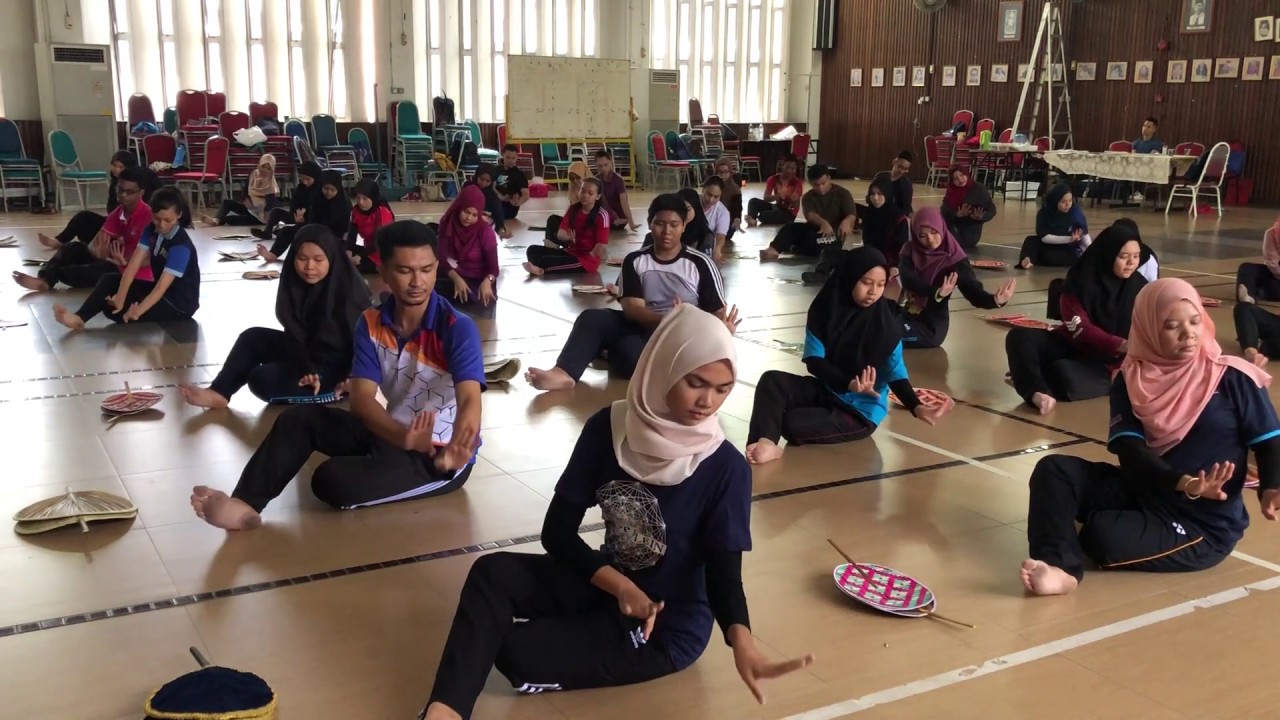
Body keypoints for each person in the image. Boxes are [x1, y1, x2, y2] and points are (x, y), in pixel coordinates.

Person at [418, 304, 813, 720]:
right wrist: (621, 587)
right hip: (611, 584)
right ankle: (444, 711)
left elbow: (723, 576)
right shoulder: (609, 428)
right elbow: (558, 532)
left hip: (663, 625)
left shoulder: (724, 467)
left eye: (722, 389)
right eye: (696, 383)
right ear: (663, 367)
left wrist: (742, 641)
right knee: (492, 573)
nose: (707, 402)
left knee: (516, 652)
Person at [190, 220, 485, 529]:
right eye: (404, 270)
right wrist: (403, 437)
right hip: (392, 433)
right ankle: (245, 505)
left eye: (426, 270)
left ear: (437, 267)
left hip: (439, 457)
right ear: (383, 272)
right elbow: (361, 401)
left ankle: (398, 469)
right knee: (299, 419)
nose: (417, 281)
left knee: (330, 480)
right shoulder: (370, 323)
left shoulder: (455, 327)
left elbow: (469, 400)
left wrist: (455, 451)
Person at [1021, 279, 1280, 596]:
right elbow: (1132, 453)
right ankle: (1060, 568)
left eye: (1195, 321)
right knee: (1055, 470)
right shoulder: (1131, 379)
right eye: (1172, 326)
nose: (1188, 334)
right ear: (1149, 329)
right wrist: (1183, 482)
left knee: (1101, 535)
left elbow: (1269, 442)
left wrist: (1272, 486)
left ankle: (1117, 527)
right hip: (1147, 489)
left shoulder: (1234, 377)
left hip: (1202, 523)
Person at [745, 248, 953, 465]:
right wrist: (849, 383)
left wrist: (915, 405)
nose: (873, 291)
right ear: (850, 277)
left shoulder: (886, 323)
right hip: (830, 388)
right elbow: (815, 362)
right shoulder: (824, 309)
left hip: (858, 412)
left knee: (790, 422)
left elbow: (896, 374)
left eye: (881, 285)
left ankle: (780, 432)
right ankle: (766, 442)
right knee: (772, 381)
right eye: (866, 282)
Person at [525, 194, 735, 390]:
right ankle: (564, 373)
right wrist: (668, 320)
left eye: (674, 225)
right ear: (650, 223)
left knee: (629, 358)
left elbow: (716, 311)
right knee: (591, 318)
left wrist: (719, 328)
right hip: (645, 326)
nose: (667, 231)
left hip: (684, 336)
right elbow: (633, 309)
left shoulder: (700, 263)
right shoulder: (635, 260)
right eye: (660, 224)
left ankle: (602, 349)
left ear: (683, 226)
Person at [180, 225, 372, 408]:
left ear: (331, 258)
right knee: (252, 337)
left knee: (261, 379)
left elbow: (364, 347)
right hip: (309, 356)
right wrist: (306, 368)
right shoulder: (295, 283)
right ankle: (219, 392)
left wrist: (350, 381)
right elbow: (294, 334)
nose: (309, 266)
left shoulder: (350, 293)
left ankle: (332, 392)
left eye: (318, 260)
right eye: (302, 258)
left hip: (339, 371)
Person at [1007, 226, 1147, 415]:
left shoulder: (1141, 287)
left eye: (1136, 256)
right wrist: (1120, 344)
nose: (1131, 262)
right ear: (1107, 254)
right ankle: (1037, 393)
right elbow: (1081, 328)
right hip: (1075, 344)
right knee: (1019, 337)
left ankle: (1033, 374)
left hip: (1109, 362)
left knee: (1064, 377)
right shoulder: (1079, 282)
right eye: (1123, 257)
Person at [53, 189, 200, 331]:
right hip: (160, 290)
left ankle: (129, 312)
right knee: (110, 281)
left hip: (178, 304)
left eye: (168, 220)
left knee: (115, 312)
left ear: (179, 215)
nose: (161, 225)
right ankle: (79, 318)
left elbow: (161, 287)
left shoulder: (181, 247)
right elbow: (132, 266)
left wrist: (138, 311)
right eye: (157, 218)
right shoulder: (151, 230)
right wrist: (120, 297)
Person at [13, 166, 155, 292]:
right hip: (111, 260)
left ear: (141, 193)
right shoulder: (117, 213)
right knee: (72, 247)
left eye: (129, 192)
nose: (123, 194)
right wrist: (99, 253)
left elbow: (149, 257)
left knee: (82, 273)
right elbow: (94, 244)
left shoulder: (147, 216)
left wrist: (120, 260)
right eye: (120, 189)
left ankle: (58, 275)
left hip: (128, 267)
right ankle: (45, 280)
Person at [897, 207, 1015, 348]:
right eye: (923, 236)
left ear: (941, 228)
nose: (930, 239)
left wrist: (994, 300)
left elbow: (972, 290)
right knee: (874, 315)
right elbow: (908, 280)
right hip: (906, 315)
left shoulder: (954, 258)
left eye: (934, 232)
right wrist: (936, 292)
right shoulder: (909, 249)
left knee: (882, 332)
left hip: (929, 328)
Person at [37, 150, 141, 250]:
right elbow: (111, 208)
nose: (116, 170)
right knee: (83, 217)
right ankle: (58, 241)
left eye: (120, 167)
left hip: (126, 228)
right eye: (114, 166)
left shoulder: (133, 186)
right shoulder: (114, 184)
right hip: (113, 221)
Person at [760, 164, 855, 262]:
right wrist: (824, 223)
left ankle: (794, 247)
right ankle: (773, 250)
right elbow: (810, 215)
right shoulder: (808, 197)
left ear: (829, 178)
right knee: (789, 227)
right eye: (816, 185)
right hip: (814, 229)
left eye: (823, 183)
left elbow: (851, 214)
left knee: (816, 243)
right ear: (810, 183)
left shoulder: (843, 193)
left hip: (833, 235)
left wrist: (847, 222)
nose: (821, 188)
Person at [259, 170, 351, 262]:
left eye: (333, 190)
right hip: (316, 229)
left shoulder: (343, 203)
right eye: (326, 189)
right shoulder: (317, 197)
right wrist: (302, 221)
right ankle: (273, 254)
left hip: (333, 235)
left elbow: (344, 227)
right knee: (287, 231)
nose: (329, 192)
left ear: (338, 189)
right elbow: (311, 218)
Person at [524, 177, 609, 277]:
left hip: (586, 260)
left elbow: (601, 244)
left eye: (590, 193)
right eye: (583, 191)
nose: (585, 195)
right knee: (532, 250)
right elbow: (561, 233)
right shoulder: (573, 208)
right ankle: (537, 266)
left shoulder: (602, 215)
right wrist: (568, 237)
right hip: (571, 251)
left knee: (545, 260)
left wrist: (594, 254)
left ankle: (541, 269)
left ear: (597, 196)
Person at [436, 185, 500, 310]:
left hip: (478, 280)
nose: (469, 218)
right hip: (454, 274)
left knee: (478, 299)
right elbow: (441, 259)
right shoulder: (448, 223)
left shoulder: (485, 232)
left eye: (474, 215)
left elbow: (494, 269)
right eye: (466, 212)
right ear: (460, 206)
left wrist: (488, 280)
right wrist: (456, 278)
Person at [1018, 184, 1090, 269]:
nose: (1068, 204)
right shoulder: (1044, 213)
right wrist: (1069, 239)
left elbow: (1084, 236)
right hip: (1049, 245)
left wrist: (1091, 250)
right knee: (1030, 240)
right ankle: (1026, 260)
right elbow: (1044, 237)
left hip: (1067, 250)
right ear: (1055, 201)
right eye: (1063, 202)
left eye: (1070, 201)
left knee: (1072, 255)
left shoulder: (1076, 213)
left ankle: (1037, 259)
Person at [202, 154, 279, 226]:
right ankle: (217, 219)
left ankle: (220, 221)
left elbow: (270, 206)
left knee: (233, 219)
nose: (265, 170)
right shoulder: (253, 175)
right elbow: (245, 191)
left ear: (272, 171)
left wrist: (264, 217)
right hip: (249, 208)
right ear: (259, 165)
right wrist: (246, 199)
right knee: (227, 203)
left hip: (261, 215)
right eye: (263, 166)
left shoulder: (271, 185)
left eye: (268, 169)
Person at [253, 160, 321, 241]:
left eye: (308, 179)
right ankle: (267, 232)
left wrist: (304, 217)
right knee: (276, 211)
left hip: (312, 220)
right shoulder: (301, 187)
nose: (305, 182)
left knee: (298, 232)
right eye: (302, 178)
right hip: (298, 217)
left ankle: (285, 231)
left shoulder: (320, 189)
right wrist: (296, 215)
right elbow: (294, 203)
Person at [940, 165, 996, 250]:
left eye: (962, 175)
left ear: (966, 174)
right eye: (955, 178)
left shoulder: (979, 189)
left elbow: (992, 210)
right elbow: (943, 212)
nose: (960, 179)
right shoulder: (951, 192)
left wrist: (981, 217)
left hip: (970, 233)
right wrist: (957, 214)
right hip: (953, 228)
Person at [347, 178, 395, 273]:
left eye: (365, 199)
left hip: (382, 252)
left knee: (353, 269)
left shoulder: (382, 212)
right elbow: (353, 233)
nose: (361, 202)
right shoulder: (356, 210)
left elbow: (380, 241)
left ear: (372, 197)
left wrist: (360, 256)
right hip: (368, 249)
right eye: (358, 198)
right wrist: (349, 250)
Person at [746, 155, 802, 227]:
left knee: (765, 215)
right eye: (787, 167)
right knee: (753, 201)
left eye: (793, 168)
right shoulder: (773, 179)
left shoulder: (797, 183)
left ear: (796, 169)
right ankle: (752, 219)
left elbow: (796, 206)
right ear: (782, 166)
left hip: (788, 214)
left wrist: (791, 199)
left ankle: (760, 217)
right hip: (777, 207)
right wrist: (777, 196)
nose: (789, 171)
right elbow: (766, 198)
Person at [1235, 217, 1280, 304]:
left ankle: (1259, 293)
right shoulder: (1271, 233)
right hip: (1275, 271)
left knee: (1275, 288)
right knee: (1246, 268)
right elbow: (1271, 263)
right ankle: (1248, 296)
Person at [595, 150, 639, 231]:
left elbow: (624, 202)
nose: (603, 168)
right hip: (604, 214)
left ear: (610, 162)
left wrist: (631, 222)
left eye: (605, 165)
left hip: (618, 216)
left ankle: (615, 220)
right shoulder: (596, 179)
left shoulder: (617, 179)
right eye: (600, 166)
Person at [467, 164, 508, 238]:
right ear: (477, 176)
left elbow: (499, 218)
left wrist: (501, 232)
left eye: (487, 181)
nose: (483, 183)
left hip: (481, 228)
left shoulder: (493, 196)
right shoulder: (468, 187)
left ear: (492, 181)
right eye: (481, 179)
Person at [870, 151, 914, 215]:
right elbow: (869, 197)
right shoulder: (880, 177)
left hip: (894, 218)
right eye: (900, 167)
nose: (902, 171)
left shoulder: (906, 185)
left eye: (905, 169)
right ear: (894, 162)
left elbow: (906, 208)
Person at [495, 145, 530, 223]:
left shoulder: (519, 174)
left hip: (509, 208)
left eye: (513, 158)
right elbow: (490, 187)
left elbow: (526, 194)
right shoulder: (496, 170)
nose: (510, 161)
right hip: (495, 202)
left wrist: (517, 203)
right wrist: (500, 197)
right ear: (502, 155)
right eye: (508, 157)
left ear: (517, 157)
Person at [700, 176, 731, 262]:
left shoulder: (723, 212)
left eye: (716, 197)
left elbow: (721, 235)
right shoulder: (692, 202)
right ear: (703, 190)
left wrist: (717, 249)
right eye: (708, 194)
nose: (710, 200)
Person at [714, 158, 743, 245]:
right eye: (720, 172)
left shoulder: (734, 189)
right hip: (712, 218)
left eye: (726, 172)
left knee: (728, 232)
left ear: (730, 172)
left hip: (728, 221)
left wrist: (737, 220)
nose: (723, 175)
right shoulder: (711, 185)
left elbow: (737, 208)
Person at [676, 187, 712, 254]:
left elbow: (703, 261)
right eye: (680, 209)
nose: (684, 213)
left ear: (696, 208)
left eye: (688, 209)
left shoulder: (705, 235)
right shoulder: (669, 229)